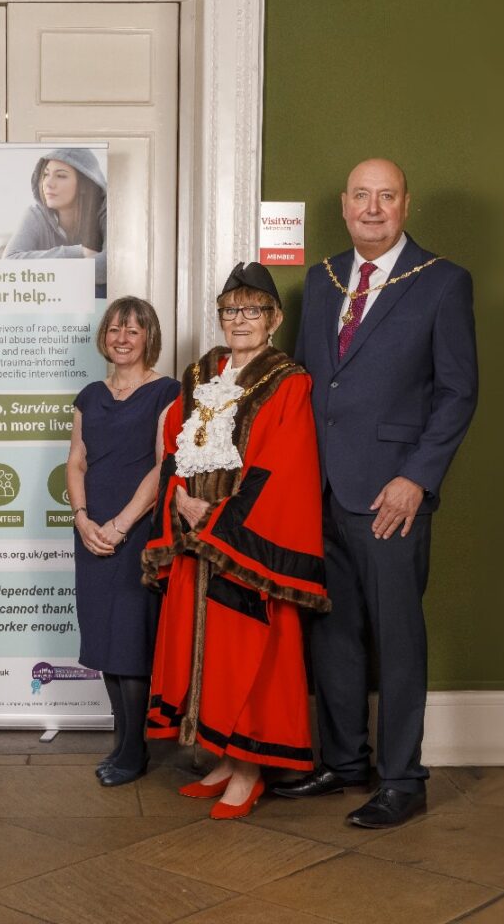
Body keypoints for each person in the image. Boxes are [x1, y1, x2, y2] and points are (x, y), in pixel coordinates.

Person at [274, 158, 478, 828]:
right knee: (332, 634)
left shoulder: (443, 282)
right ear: (343, 205)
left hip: (392, 494)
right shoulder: (324, 280)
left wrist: (416, 477)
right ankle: (344, 762)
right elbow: (307, 385)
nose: (372, 207)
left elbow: (456, 392)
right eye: (362, 196)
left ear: (405, 206)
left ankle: (402, 778)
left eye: (385, 197)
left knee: (397, 638)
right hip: (322, 489)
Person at [143, 262, 329, 819]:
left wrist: (219, 519)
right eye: (230, 310)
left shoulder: (289, 381)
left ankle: (249, 771)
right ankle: (222, 757)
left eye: (252, 310)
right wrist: (177, 497)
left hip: (242, 542)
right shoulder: (202, 373)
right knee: (203, 646)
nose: (240, 320)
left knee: (246, 650)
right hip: (193, 537)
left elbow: (282, 466)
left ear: (274, 318)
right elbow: (178, 443)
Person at [67, 297, 179, 787]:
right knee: (105, 641)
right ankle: (122, 741)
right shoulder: (89, 395)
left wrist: (120, 524)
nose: (122, 339)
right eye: (114, 330)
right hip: (92, 531)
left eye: (133, 331)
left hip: (136, 532)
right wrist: (82, 518)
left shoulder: (168, 393)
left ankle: (136, 750)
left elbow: (163, 465)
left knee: (131, 642)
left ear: (148, 337)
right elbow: (76, 461)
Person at [4, 148, 107, 297]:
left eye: (61, 176)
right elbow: (9, 264)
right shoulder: (36, 214)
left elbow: (110, 266)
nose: (48, 183)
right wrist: (78, 252)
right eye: (46, 174)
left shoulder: (106, 211)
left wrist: (47, 273)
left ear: (84, 184)